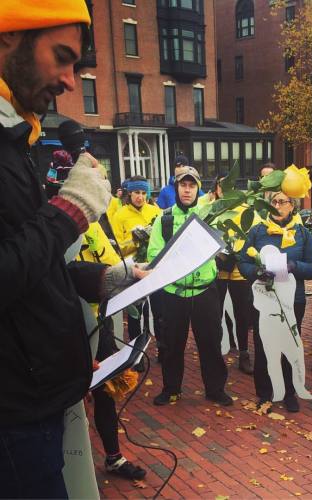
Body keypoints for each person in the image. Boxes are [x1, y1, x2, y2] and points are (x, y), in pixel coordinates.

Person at [0, 3, 137, 496]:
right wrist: (69, 212)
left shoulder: (16, 138)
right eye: (61, 57)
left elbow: (30, 264)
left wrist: (106, 280)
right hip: (14, 415)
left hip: (37, 400)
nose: (71, 80)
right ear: (7, 39)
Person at [148, 166, 232, 406]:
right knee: (172, 344)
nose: (187, 190)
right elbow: (155, 254)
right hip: (174, 292)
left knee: (210, 343)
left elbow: (223, 248)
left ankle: (215, 389)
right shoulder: (164, 218)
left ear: (198, 188)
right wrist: (178, 256)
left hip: (206, 291)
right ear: (176, 188)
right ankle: (171, 389)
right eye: (183, 185)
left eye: (192, 185)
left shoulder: (209, 215)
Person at [239, 191, 312, 413]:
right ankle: (265, 392)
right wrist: (256, 271)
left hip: (292, 300)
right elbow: (242, 262)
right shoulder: (257, 231)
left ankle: (289, 392)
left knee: (289, 346)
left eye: (282, 202)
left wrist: (294, 266)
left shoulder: (302, 233)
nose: (277, 206)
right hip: (263, 299)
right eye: (273, 202)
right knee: (263, 346)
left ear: (292, 206)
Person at [77, 223, 146, 481]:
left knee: (106, 391)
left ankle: (113, 457)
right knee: (69, 400)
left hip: (98, 324)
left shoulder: (92, 226)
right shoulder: (44, 226)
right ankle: (73, 465)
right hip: (64, 327)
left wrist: (130, 275)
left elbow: (113, 263)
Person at [111, 175, 162, 370]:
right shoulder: (120, 215)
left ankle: (162, 349)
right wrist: (135, 241)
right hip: (133, 270)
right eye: (136, 193)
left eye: (143, 193)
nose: (140, 197)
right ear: (129, 193)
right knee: (135, 315)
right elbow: (117, 250)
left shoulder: (154, 210)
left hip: (153, 268)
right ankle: (136, 355)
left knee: (159, 312)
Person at [214, 173, 257, 374]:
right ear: (217, 190)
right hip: (219, 271)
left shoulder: (248, 211)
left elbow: (254, 237)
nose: (225, 190)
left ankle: (244, 354)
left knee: (242, 315)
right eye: (221, 187)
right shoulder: (212, 211)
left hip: (240, 271)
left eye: (229, 186)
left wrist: (239, 253)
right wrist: (220, 255)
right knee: (215, 315)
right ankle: (215, 353)